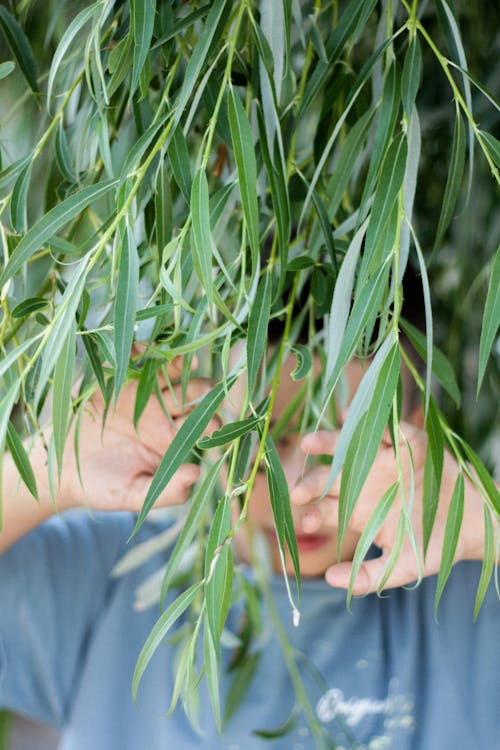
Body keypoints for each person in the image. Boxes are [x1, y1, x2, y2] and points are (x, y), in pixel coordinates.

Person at [0, 351, 497, 750]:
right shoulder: (104, 576)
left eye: (340, 448)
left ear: (410, 428)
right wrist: (46, 467)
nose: (299, 490)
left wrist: (485, 522)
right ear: (202, 427)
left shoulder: (471, 594)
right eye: (263, 443)